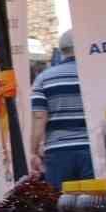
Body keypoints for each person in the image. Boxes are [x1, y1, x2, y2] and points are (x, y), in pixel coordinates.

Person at [32, 30, 95, 188]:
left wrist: (33, 151)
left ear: (61, 50)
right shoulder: (94, 73)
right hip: (93, 150)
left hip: (58, 152)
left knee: (62, 204)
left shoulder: (44, 78)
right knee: (96, 204)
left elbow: (39, 117)